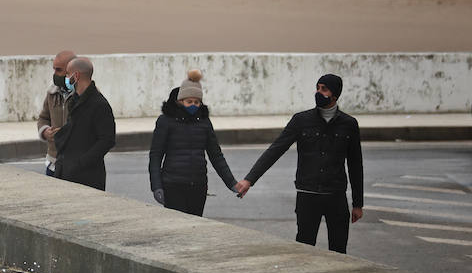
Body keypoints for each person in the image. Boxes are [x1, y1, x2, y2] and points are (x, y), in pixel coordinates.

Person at [235, 73, 364, 253]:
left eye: (324, 89)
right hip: (307, 195)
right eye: (317, 88)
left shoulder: (349, 124)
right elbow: (275, 150)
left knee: (339, 250)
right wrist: (249, 180)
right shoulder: (301, 120)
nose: (318, 92)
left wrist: (358, 203)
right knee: (304, 248)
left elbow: (355, 164)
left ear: (335, 95)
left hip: (336, 196)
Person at [147, 69, 238, 216]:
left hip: (198, 185)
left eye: (197, 102)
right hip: (172, 185)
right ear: (180, 101)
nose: (193, 105)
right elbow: (155, 156)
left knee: (195, 228)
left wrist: (231, 182)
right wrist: (156, 186)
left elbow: (216, 155)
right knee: (178, 229)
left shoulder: (204, 122)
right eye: (189, 101)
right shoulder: (165, 121)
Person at [52, 57, 116, 190]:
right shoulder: (75, 100)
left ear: (76, 75)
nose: (66, 78)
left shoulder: (99, 105)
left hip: (87, 178)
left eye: (68, 74)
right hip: (68, 174)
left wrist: (81, 163)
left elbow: (107, 140)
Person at [35, 49, 75, 176]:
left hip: (76, 163)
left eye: (59, 70)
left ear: (71, 72)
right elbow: (43, 118)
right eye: (54, 69)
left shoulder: (86, 96)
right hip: (53, 162)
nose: (55, 74)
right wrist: (45, 131)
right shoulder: (52, 93)